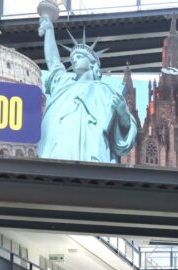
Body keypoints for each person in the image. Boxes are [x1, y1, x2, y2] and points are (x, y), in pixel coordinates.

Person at [37, 15, 136, 163]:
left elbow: (124, 139)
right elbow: (53, 62)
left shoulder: (105, 91)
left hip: (92, 156)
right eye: (73, 58)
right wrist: (50, 31)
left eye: (79, 56)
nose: (74, 60)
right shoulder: (63, 83)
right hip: (57, 153)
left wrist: (123, 114)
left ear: (92, 64)